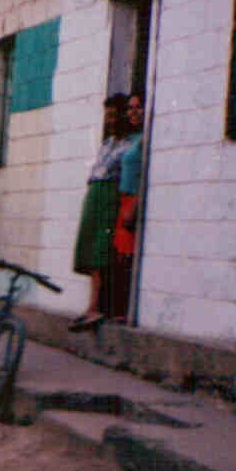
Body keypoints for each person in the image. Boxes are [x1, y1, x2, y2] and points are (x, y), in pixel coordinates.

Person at [70, 93, 130, 331]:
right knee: (88, 250)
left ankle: (98, 307)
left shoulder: (129, 144)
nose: (111, 121)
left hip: (109, 195)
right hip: (94, 194)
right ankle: (92, 306)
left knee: (101, 251)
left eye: (114, 116)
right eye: (108, 116)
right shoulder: (107, 144)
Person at [109, 91, 145, 321]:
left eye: (138, 107)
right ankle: (115, 309)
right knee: (118, 253)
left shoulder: (144, 138)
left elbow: (144, 172)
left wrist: (135, 204)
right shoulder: (127, 138)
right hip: (120, 197)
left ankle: (122, 311)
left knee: (126, 254)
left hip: (132, 198)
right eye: (130, 108)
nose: (133, 112)